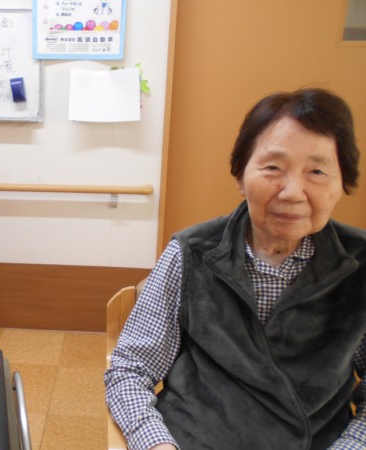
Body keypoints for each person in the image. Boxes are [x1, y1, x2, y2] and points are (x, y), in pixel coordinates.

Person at [105, 87, 366, 450]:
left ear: (342, 182)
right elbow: (130, 368)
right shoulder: (192, 251)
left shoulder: (359, 264)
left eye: (317, 171)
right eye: (273, 168)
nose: (292, 192)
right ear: (241, 176)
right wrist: (157, 444)